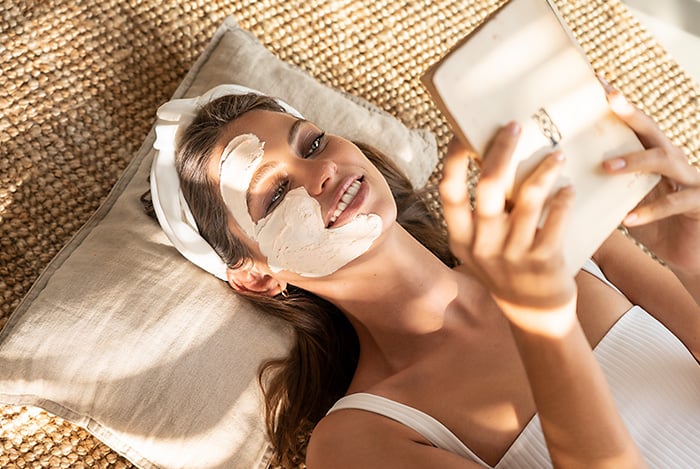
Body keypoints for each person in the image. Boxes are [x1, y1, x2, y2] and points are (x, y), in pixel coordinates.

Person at [149, 83, 700, 468]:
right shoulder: (357, 441)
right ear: (257, 278)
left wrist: (692, 260)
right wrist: (543, 325)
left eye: (313, 143)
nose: (321, 172)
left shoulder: (550, 242)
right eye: (272, 194)